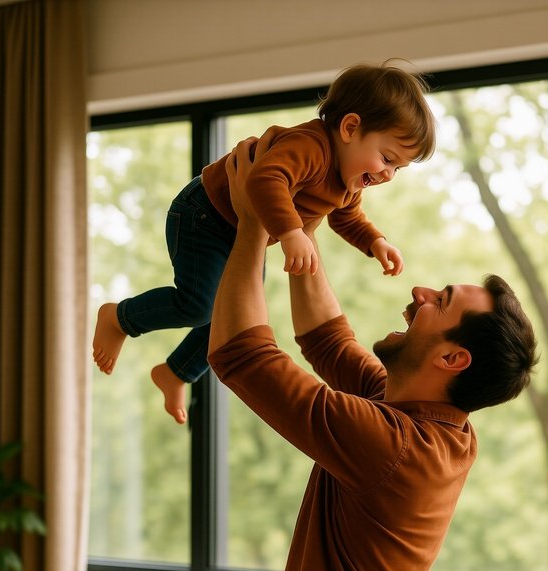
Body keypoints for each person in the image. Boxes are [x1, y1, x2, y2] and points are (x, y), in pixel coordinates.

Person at [207, 137, 539, 571]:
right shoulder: (438, 427)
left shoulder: (391, 445)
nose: (418, 290)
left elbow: (240, 356)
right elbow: (326, 338)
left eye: (439, 299)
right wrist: (296, 229)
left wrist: (250, 225)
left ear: (452, 359)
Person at [92, 60, 436, 424]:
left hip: (242, 228)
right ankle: (120, 318)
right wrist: (291, 233)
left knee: (232, 312)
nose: (388, 175)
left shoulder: (348, 179)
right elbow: (264, 180)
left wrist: (375, 242)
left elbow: (347, 216)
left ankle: (177, 371)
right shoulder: (311, 147)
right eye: (387, 158)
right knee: (197, 306)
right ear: (350, 127)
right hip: (205, 216)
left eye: (398, 168)